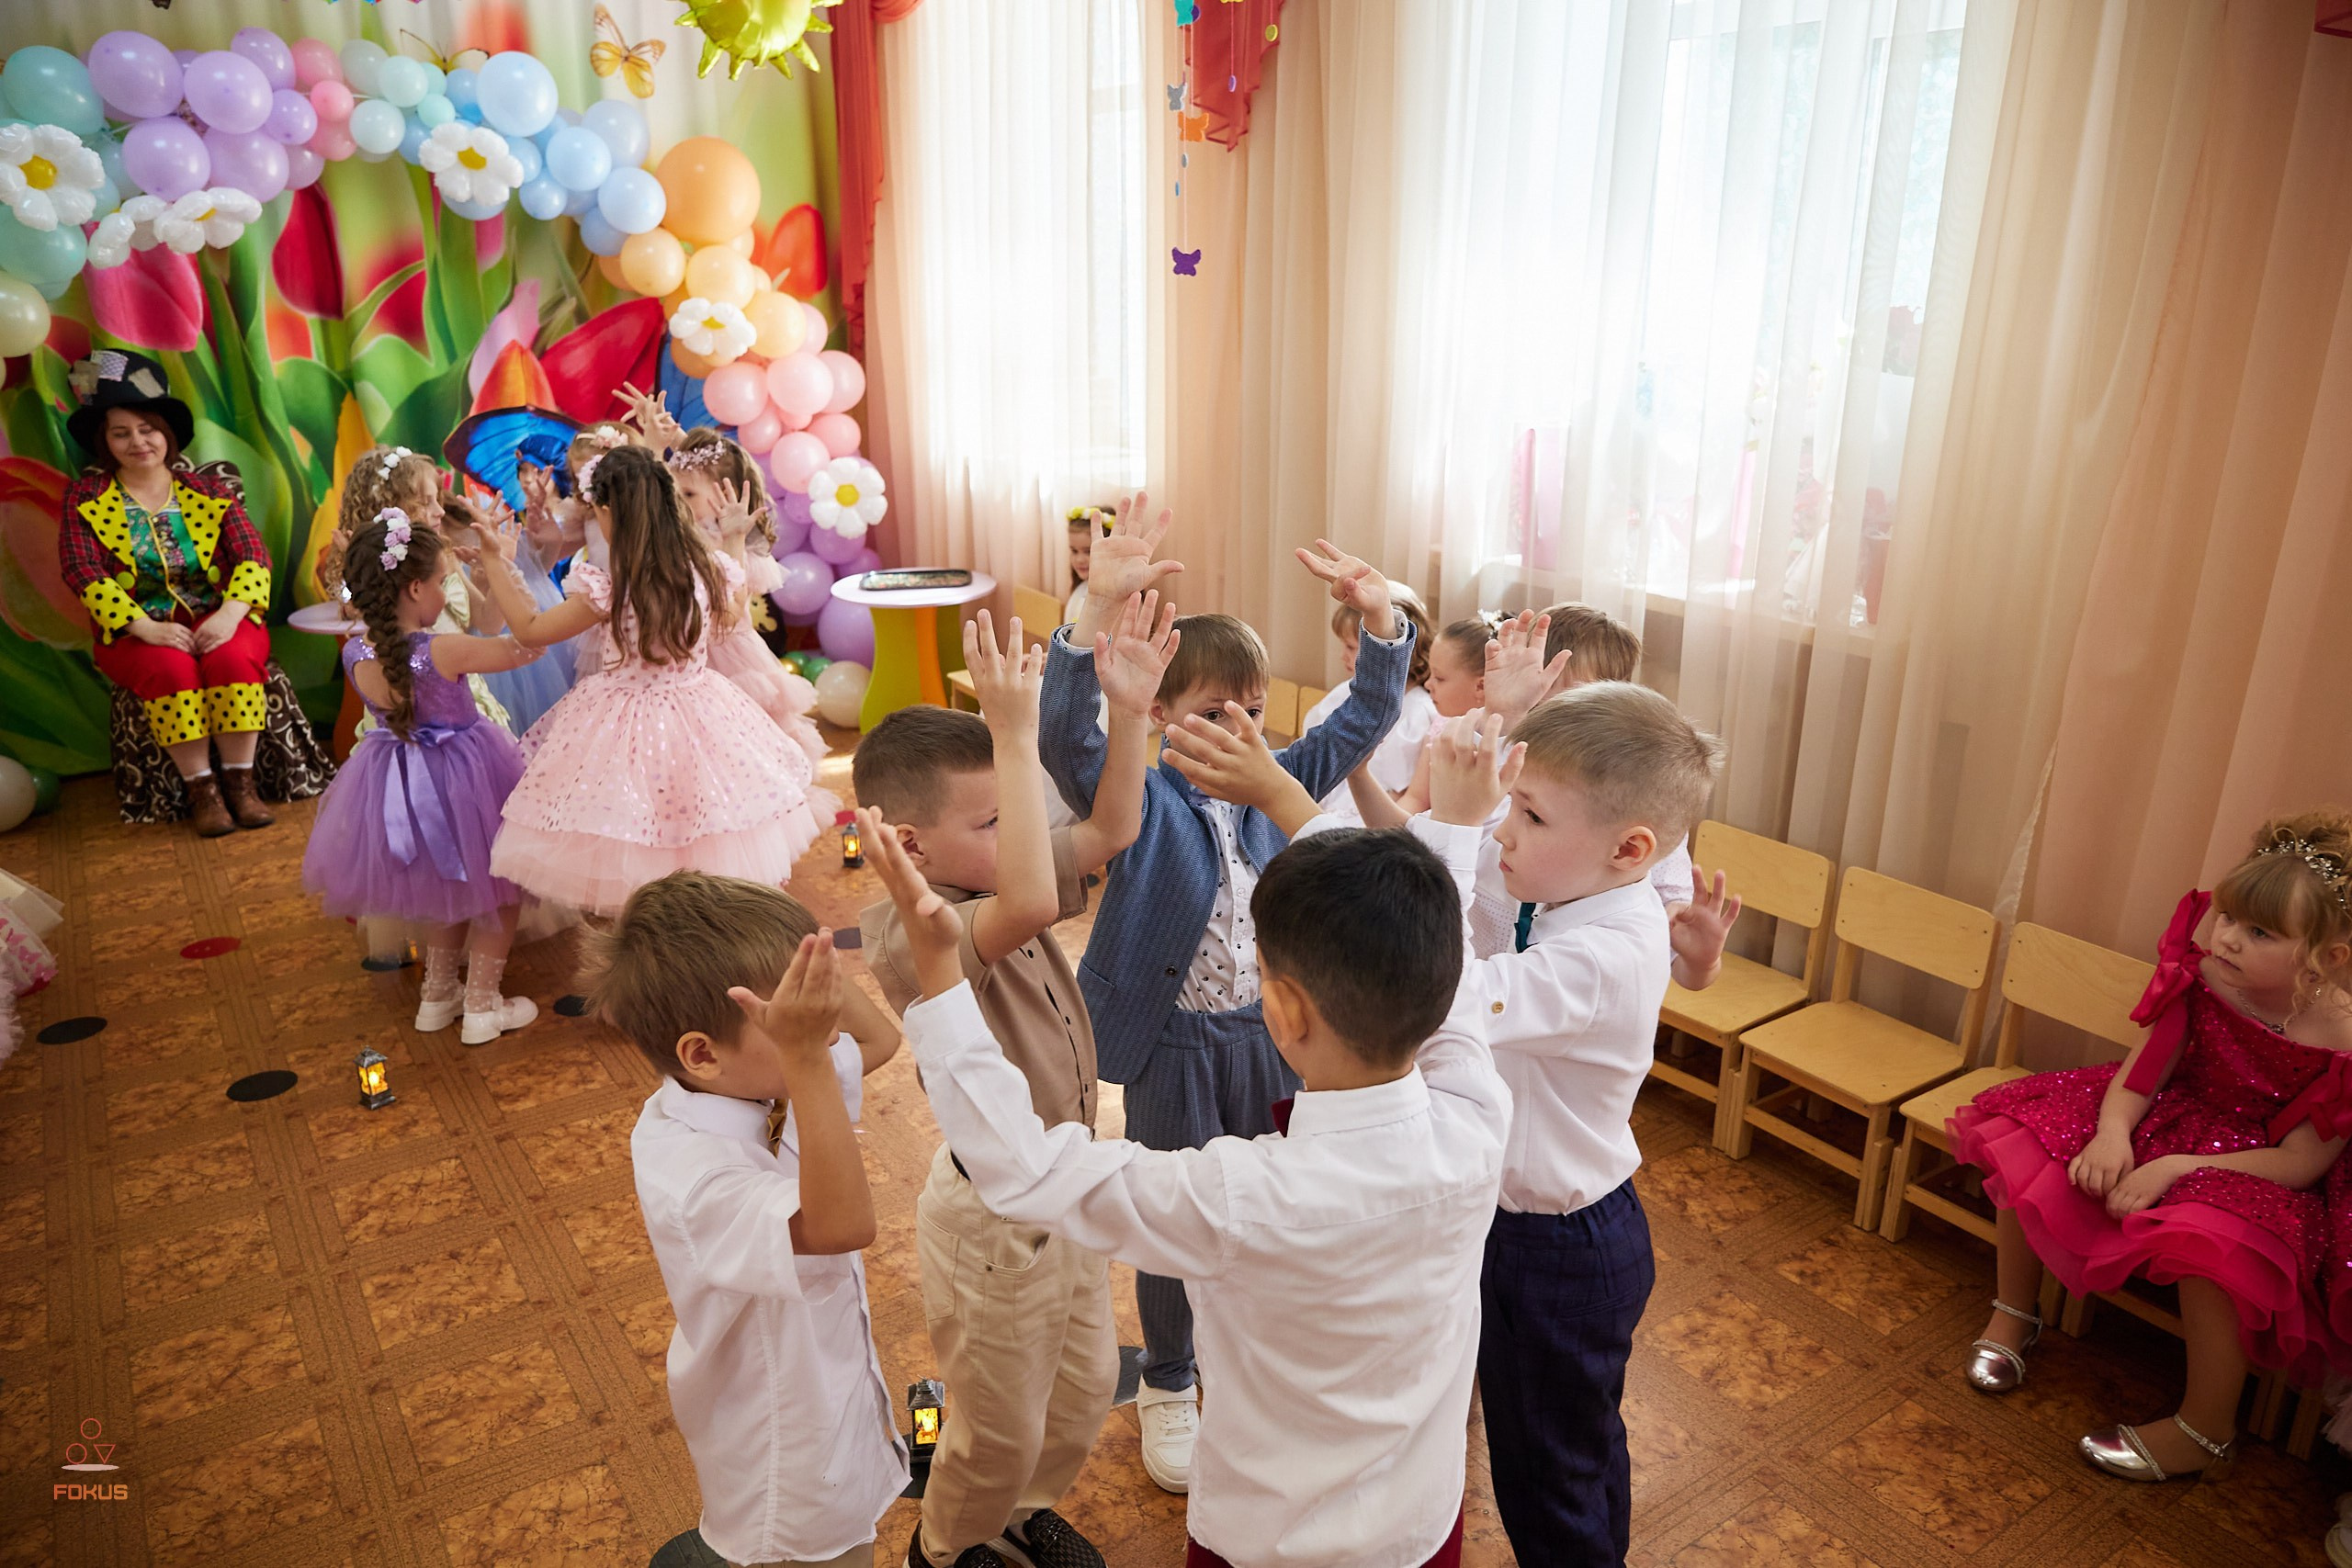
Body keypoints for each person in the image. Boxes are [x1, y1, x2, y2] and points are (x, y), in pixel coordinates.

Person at [858, 709, 1512, 1567]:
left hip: (1268, 1542)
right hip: (1422, 1528)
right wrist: (1447, 837)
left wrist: (939, 986)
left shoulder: (1238, 1195)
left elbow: (1023, 1169)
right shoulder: (1478, 1113)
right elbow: (1452, 972)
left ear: (1280, 1011)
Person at [1036, 494, 1419, 1492]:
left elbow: (1373, 715)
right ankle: (1168, 1378)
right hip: (1167, 1047)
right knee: (1174, 1217)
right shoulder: (1139, 789)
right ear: (1158, 712)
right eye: (1211, 710)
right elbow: (1063, 739)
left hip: (1268, 1039)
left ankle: (1246, 1349)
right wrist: (1090, 610)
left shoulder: (1276, 776)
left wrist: (1381, 621)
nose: (1237, 727)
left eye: (1250, 706)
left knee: (1267, 1201)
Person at [856, 595, 1177, 1568]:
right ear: (909, 846)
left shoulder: (1000, 874)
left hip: (1066, 1180)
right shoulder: (914, 932)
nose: (1025, 829)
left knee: (1079, 1390)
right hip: (992, 1222)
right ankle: (949, 1547)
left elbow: (1114, 828)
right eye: (998, 817)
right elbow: (1036, 895)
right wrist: (1011, 728)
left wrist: (1127, 710)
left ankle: (1018, 1509)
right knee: (992, 1421)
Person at [1950, 810, 2352, 1483]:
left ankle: (2207, 1425)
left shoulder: (2340, 1038)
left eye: (2259, 932)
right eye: (2227, 916)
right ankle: (2014, 1310)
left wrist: (2177, 1166)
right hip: (2163, 1114)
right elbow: (2142, 1073)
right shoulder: (2206, 977)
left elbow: (2304, 1162)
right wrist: (2113, 1132)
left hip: (2255, 1164)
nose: (2226, 938)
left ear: (2326, 956)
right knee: (2034, 1141)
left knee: (2211, 1241)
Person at [1438, 682, 1724, 1567]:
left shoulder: (1604, 952)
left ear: (1629, 848)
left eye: (1526, 812)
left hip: (1557, 1248)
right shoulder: (1580, 896)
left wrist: (1448, 833)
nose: (1502, 832)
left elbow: (1444, 999)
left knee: (1548, 1476)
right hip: (1542, 1229)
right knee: (1573, 1452)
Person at [588, 873, 907, 1567]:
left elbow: (880, 1038)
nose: (822, 1030)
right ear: (701, 1053)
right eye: (794, 1017)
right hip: (784, 1450)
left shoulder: (761, 1082)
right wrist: (806, 1055)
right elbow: (843, 1225)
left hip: (834, 1401)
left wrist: (809, 955)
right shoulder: (693, 1169)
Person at [476, 445, 828, 915]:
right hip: (702, 709)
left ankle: (654, 948)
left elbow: (531, 631)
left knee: (638, 832)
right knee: (698, 827)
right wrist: (734, 539)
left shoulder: (608, 585)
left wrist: (497, 561)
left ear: (605, 511)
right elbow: (732, 615)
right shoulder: (707, 570)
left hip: (624, 721)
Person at [300, 513, 543, 1043]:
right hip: (465, 773)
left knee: (446, 885)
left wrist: (484, 586)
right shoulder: (441, 649)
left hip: (398, 777)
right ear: (415, 587)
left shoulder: (355, 651)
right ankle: (482, 1005)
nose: (443, 590)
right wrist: (503, 568)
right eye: (440, 581)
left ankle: (437, 995)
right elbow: (530, 644)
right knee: (498, 888)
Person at [57, 351, 288, 836]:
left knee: (231, 659)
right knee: (170, 669)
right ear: (105, 442)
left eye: (147, 428)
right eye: (121, 433)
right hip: (134, 629)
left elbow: (252, 555)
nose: (138, 442)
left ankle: (241, 786)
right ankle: (202, 789)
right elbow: (81, 570)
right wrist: (144, 627)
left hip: (220, 612)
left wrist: (230, 615)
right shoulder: (85, 498)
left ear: (167, 433)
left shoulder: (208, 489)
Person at [322, 445, 526, 737]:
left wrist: (499, 566)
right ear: (391, 506)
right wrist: (354, 575)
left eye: (438, 499)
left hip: (459, 699)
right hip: (405, 701)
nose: (440, 510)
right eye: (426, 502)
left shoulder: (444, 557)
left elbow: (490, 622)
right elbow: (350, 603)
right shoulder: (380, 575)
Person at [670, 430, 833, 776]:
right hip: (690, 654)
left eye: (688, 494)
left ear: (724, 494)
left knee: (747, 742)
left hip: (730, 655)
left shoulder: (734, 543)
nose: (678, 501)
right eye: (675, 492)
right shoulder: (681, 535)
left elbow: (728, 609)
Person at [1296, 588, 1438, 827]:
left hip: (1367, 818)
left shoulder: (1418, 712)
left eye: (1351, 647)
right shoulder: (1345, 691)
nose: (1343, 656)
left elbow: (1404, 796)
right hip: (1320, 802)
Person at [1063, 504, 1111, 626]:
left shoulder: (1117, 600)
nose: (1079, 560)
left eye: (1088, 552)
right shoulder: (1081, 589)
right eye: (1074, 551)